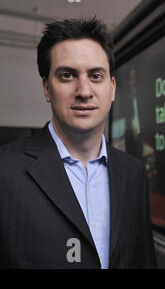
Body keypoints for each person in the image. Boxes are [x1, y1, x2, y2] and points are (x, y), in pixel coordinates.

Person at [0, 18, 156, 268]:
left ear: (112, 88)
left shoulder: (134, 172)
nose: (84, 91)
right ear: (46, 88)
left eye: (96, 76)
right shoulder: (5, 170)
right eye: (67, 75)